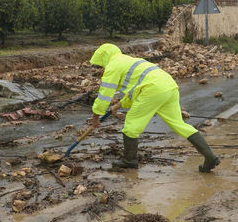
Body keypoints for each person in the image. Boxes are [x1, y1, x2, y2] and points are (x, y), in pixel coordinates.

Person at [89, 43, 219, 172]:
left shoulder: (112, 66)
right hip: (169, 86)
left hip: (153, 89)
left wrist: (95, 118)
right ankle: (210, 157)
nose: (101, 67)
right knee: (179, 124)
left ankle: (129, 161)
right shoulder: (129, 60)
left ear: (104, 58)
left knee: (131, 125)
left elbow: (104, 96)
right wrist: (120, 104)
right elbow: (135, 89)